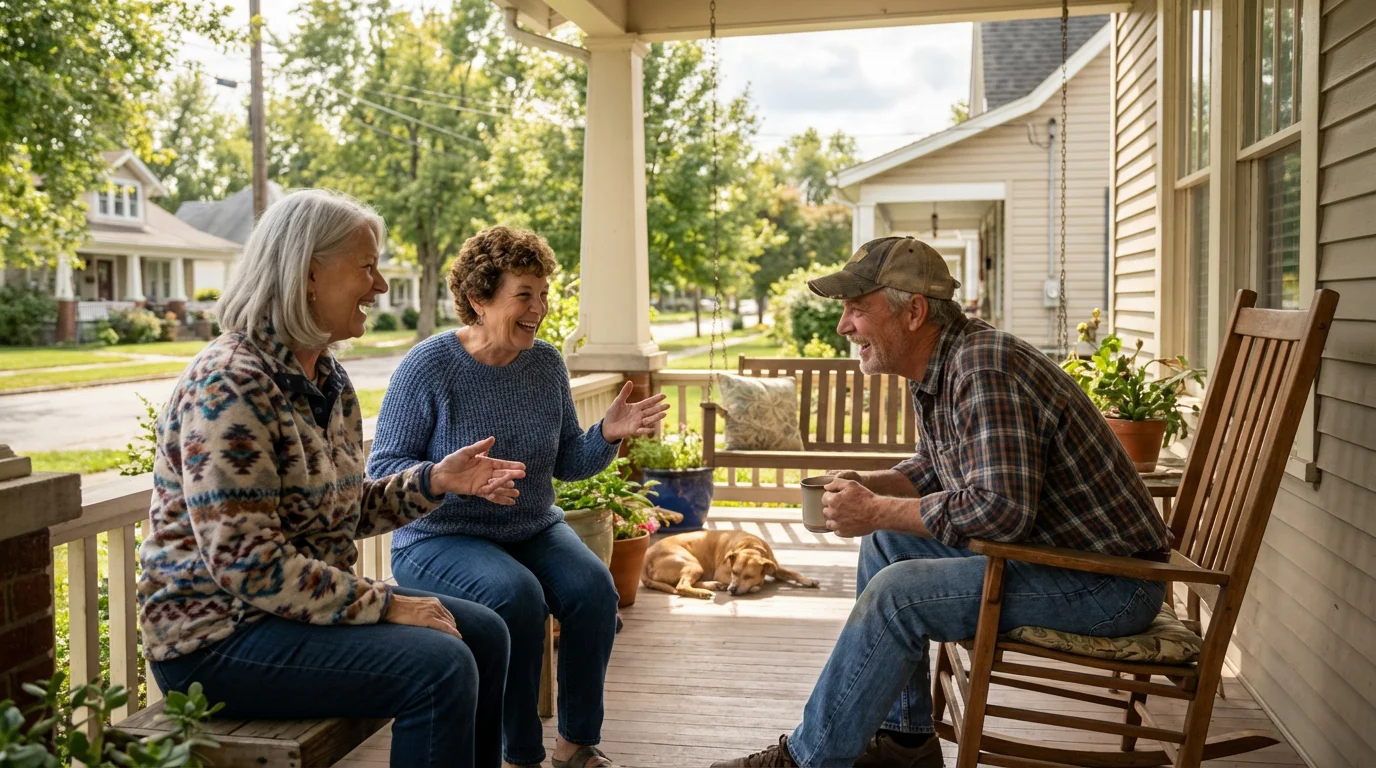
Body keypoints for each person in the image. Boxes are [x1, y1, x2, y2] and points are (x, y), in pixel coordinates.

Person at [712, 237, 1171, 768]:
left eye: (857, 309)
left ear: (914, 312)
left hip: (1107, 582)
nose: (843, 326)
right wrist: (870, 485)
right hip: (1052, 557)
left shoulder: (985, 369)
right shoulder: (943, 364)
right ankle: (906, 742)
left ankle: (807, 760)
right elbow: (935, 468)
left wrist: (876, 508)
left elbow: (1000, 510)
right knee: (886, 544)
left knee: (897, 594)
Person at [138, 190, 527, 768]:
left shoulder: (327, 376)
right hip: (216, 640)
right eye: (366, 266)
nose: (380, 286)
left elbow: (341, 508)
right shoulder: (230, 385)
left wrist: (436, 482)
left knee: (486, 633)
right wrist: (384, 605)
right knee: (440, 666)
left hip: (294, 613)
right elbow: (248, 562)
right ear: (309, 273)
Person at [367, 225, 669, 768]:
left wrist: (606, 434)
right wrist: (448, 475)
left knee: (594, 591)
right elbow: (383, 469)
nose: (540, 307)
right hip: (440, 537)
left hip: (530, 527)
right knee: (518, 597)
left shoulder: (545, 363)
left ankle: (577, 745)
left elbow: (568, 463)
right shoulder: (428, 367)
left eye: (544, 293)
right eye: (524, 294)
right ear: (480, 299)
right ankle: (521, 754)